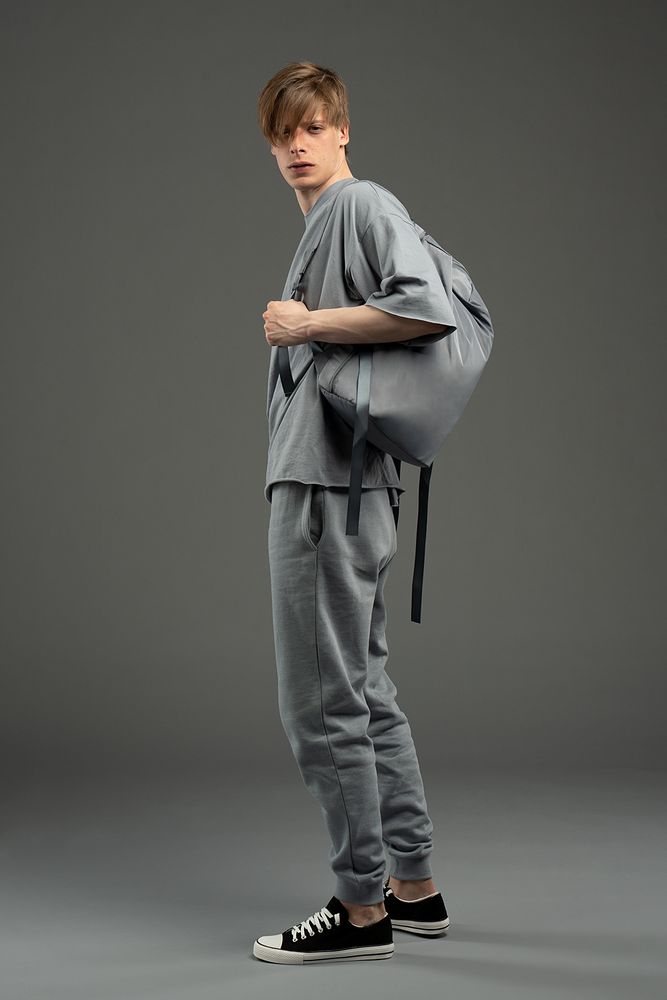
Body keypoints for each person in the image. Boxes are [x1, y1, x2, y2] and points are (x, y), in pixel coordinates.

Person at [253, 61, 451, 965]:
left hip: (326, 490)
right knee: (364, 693)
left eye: (312, 126)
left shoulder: (358, 203)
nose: (297, 144)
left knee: (320, 703)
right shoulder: (327, 220)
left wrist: (307, 325)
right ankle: (413, 888)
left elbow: (424, 309)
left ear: (341, 130)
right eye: (281, 132)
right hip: (353, 488)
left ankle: (359, 908)